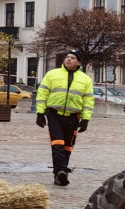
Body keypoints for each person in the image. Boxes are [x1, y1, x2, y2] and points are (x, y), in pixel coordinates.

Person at [34, 49, 94, 186]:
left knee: (67, 146)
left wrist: (85, 119)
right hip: (54, 114)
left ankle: (61, 174)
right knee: (57, 143)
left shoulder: (85, 79)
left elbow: (89, 101)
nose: (68, 59)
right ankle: (60, 172)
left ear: (78, 62)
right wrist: (40, 113)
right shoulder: (52, 74)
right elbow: (42, 94)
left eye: (72, 58)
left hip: (73, 117)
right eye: (67, 57)